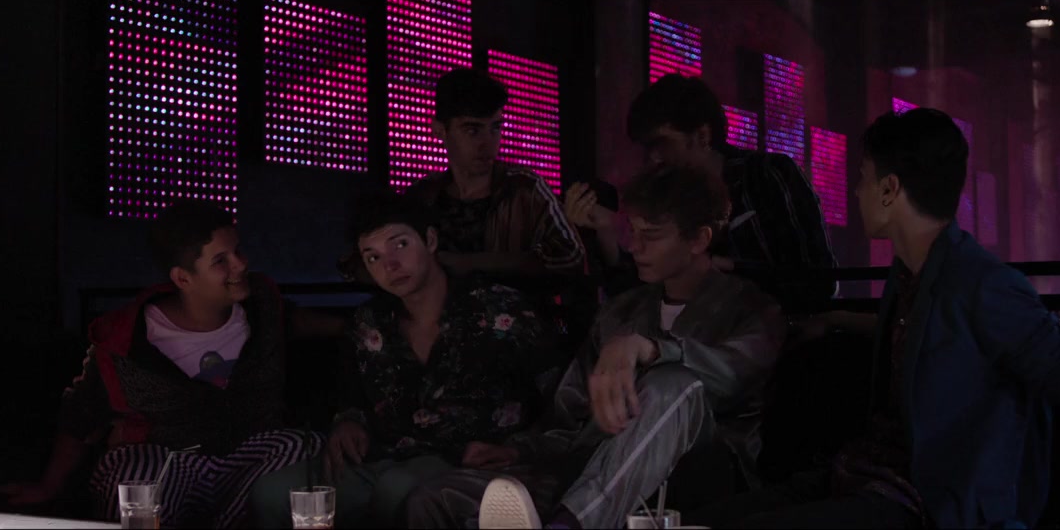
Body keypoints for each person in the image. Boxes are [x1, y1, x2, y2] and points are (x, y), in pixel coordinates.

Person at [685, 108, 1060, 528]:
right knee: (704, 519)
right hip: (865, 470)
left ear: (889, 189)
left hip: (921, 496)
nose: (856, 192)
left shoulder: (983, 284)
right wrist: (836, 318)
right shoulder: (913, 272)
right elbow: (924, 330)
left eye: (863, 178)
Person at [406, 166, 786, 529]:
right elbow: (569, 417)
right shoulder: (622, 312)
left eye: (651, 235)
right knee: (436, 498)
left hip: (697, 471)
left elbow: (732, 374)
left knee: (673, 383)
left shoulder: (751, 309)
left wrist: (652, 350)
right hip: (592, 467)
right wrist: (519, 450)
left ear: (699, 239)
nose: (634, 246)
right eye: (632, 231)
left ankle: (570, 525)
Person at [0, 201, 341, 528]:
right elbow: (81, 412)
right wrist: (48, 486)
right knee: (134, 477)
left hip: (246, 457)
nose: (240, 265)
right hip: (170, 460)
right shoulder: (127, 340)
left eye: (238, 251)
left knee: (302, 447)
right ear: (183, 279)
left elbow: (294, 321)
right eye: (221, 260)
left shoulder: (262, 306)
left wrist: (360, 325)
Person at [249, 192, 560, 528]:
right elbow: (351, 395)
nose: (390, 265)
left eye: (400, 245)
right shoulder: (369, 322)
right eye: (373, 257)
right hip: (383, 456)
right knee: (273, 493)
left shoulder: (502, 311)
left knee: (398, 489)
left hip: (465, 463)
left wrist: (519, 449)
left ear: (430, 240)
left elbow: (562, 403)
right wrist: (348, 422)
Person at [564, 73, 837, 310]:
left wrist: (729, 273)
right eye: (647, 148)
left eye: (662, 144)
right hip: (696, 343)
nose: (654, 158)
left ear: (702, 136)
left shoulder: (767, 175)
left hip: (781, 336)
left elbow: (817, 279)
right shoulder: (664, 199)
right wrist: (606, 235)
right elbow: (640, 300)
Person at [402, 67, 585, 299]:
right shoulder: (422, 196)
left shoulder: (525, 189)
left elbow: (571, 257)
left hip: (519, 318)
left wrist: (471, 263)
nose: (488, 143)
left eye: (495, 128)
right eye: (472, 130)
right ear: (439, 130)